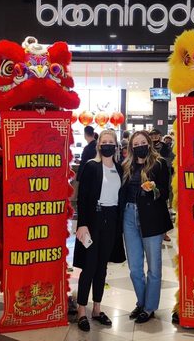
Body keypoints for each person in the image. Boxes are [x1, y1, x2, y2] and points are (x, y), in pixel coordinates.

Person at [73, 130, 125, 332]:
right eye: (104, 142)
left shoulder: (119, 169)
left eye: (111, 142)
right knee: (89, 265)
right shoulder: (91, 167)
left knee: (102, 267)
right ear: (99, 145)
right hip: (93, 219)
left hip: (111, 220)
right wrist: (82, 224)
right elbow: (83, 197)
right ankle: (81, 310)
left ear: (116, 145)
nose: (108, 145)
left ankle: (97, 308)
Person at [120, 130, 173, 323]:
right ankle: (141, 303)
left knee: (154, 267)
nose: (139, 146)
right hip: (129, 216)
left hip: (152, 218)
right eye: (136, 144)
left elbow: (165, 193)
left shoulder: (159, 164)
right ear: (131, 147)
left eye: (143, 142)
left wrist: (153, 189)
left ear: (149, 143)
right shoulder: (126, 165)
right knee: (134, 268)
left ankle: (149, 307)